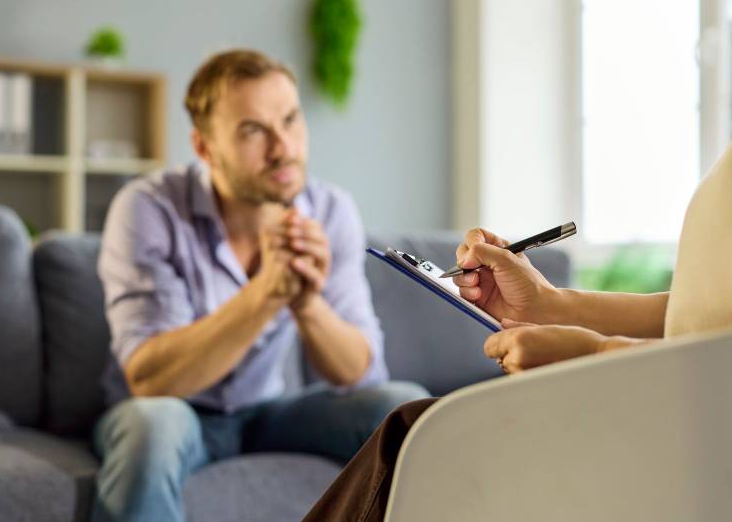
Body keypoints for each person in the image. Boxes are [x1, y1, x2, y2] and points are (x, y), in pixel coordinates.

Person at [301, 146, 732, 522]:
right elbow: (699, 311)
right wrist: (549, 305)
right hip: (684, 408)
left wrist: (597, 353)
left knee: (421, 441)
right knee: (417, 435)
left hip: (692, 428)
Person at [91, 49, 428, 522]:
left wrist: (306, 303)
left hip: (267, 412)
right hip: (174, 412)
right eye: (252, 130)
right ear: (205, 148)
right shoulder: (149, 208)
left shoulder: (330, 210)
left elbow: (361, 373)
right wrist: (267, 292)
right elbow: (152, 381)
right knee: (155, 425)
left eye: (290, 120)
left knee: (403, 408)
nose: (282, 148)